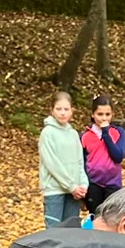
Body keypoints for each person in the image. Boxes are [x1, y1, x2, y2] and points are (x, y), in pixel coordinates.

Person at [39, 90, 88, 227]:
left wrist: (83, 184)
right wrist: (71, 185)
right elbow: (52, 164)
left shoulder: (73, 134)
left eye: (66, 109)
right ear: (52, 111)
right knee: (54, 230)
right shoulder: (48, 133)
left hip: (73, 191)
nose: (62, 112)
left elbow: (80, 162)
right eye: (58, 109)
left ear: (72, 111)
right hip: (55, 190)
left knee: (71, 229)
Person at [81, 95, 125, 217]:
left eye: (107, 114)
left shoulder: (118, 132)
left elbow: (118, 156)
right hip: (93, 184)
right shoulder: (85, 136)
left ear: (112, 114)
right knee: (95, 216)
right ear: (93, 115)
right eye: (100, 114)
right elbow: (82, 161)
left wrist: (106, 133)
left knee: (111, 218)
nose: (104, 118)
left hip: (113, 184)